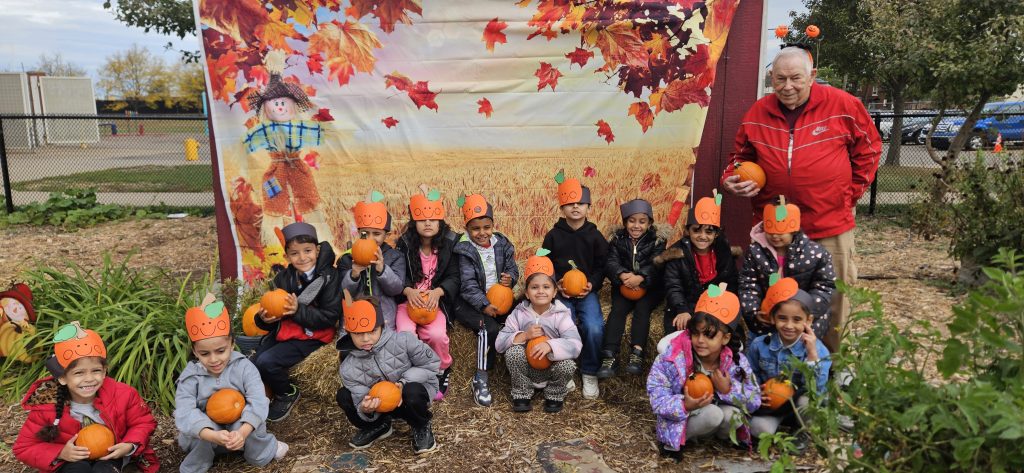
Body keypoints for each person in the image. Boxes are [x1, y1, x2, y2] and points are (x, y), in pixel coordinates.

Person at [720, 46, 881, 353]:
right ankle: (777, 367)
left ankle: (832, 366)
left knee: (833, 300)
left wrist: (850, 194)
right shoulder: (758, 112)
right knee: (777, 298)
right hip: (775, 230)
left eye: (796, 78)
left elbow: (869, 149)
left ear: (813, 77)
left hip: (828, 223)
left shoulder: (843, 105)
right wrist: (730, 179)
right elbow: (739, 158)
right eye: (780, 78)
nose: (788, 86)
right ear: (772, 78)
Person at [13, 321, 159, 473]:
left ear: (104, 372)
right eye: (79, 373)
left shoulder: (124, 394)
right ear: (62, 378)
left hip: (114, 455)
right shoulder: (47, 406)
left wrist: (129, 445)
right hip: (69, 460)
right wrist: (60, 452)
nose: (89, 378)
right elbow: (24, 447)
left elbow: (143, 423)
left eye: (96, 370)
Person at [647, 285, 760, 462]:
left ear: (726, 338)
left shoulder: (736, 361)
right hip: (685, 417)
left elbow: (754, 401)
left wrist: (728, 389)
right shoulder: (673, 358)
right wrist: (685, 404)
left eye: (709, 335)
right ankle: (674, 442)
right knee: (713, 414)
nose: (700, 341)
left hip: (715, 413)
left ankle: (717, 436)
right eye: (696, 333)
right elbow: (657, 397)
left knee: (733, 416)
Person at [175, 297, 288, 472]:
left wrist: (242, 432)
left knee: (253, 428)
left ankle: (262, 450)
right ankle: (198, 465)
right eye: (205, 353)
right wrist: (211, 434)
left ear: (232, 344)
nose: (213, 359)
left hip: (239, 426)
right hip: (207, 431)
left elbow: (258, 400)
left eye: (221, 351)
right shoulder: (190, 377)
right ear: (195, 351)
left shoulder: (244, 367)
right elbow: (185, 411)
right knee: (198, 437)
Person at [253, 222, 341, 421]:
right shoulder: (283, 278)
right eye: (295, 253)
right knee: (254, 360)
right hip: (287, 330)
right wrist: (264, 319)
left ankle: (287, 393)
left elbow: (329, 317)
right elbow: (274, 310)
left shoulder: (328, 277)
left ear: (317, 250)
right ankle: (261, 397)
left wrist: (297, 310)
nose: (302, 258)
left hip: (313, 335)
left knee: (267, 362)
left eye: (307, 251)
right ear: (286, 256)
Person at [336, 293, 440, 454]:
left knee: (411, 391)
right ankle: (379, 426)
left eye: (372, 331)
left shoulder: (404, 340)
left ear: (383, 325)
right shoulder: (348, 367)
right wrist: (365, 408)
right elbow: (360, 397)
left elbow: (432, 364)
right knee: (343, 395)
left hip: (409, 397)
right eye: (358, 333)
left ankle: (420, 424)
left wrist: (403, 382)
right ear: (348, 332)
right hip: (381, 405)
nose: (365, 338)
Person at [542, 170, 609, 399]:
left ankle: (589, 371)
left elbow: (603, 266)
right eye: (570, 203)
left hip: (586, 291)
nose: (575, 207)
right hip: (561, 292)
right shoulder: (552, 236)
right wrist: (554, 285)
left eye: (581, 203)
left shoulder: (595, 236)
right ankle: (566, 368)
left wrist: (592, 284)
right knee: (562, 324)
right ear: (562, 208)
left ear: (588, 207)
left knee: (593, 326)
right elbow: (544, 264)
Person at [451, 193, 519, 407]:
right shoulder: (464, 250)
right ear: (467, 228)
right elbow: (467, 284)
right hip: (469, 302)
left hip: (499, 298)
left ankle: (523, 369)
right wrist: (484, 305)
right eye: (475, 229)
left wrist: (511, 277)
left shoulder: (502, 243)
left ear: (492, 225)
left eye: (486, 227)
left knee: (519, 317)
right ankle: (481, 377)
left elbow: (512, 265)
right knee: (487, 329)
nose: (482, 233)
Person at [495, 250, 582, 413]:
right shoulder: (519, 313)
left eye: (546, 287)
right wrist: (524, 335)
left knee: (568, 364)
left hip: (551, 368)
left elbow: (575, 344)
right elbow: (500, 343)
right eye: (534, 287)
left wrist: (551, 345)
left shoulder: (561, 315)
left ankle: (554, 393)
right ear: (527, 293)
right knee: (513, 353)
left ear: (555, 291)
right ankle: (522, 392)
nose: (541, 291)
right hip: (527, 368)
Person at [738, 196, 835, 341]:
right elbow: (748, 284)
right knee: (764, 357)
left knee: (801, 359)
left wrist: (807, 312)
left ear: (793, 230)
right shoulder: (755, 252)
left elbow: (824, 286)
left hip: (801, 322)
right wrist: (754, 312)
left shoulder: (815, 253)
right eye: (771, 231)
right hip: (766, 320)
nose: (775, 236)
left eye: (781, 231)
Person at [747, 289, 831, 453]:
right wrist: (756, 393)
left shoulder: (817, 350)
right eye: (782, 318)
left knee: (807, 402)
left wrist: (812, 355)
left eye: (797, 319)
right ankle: (781, 427)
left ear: (809, 320)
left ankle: (804, 431)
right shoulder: (759, 345)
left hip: (800, 403)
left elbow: (818, 389)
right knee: (759, 428)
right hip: (774, 406)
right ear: (773, 318)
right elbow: (751, 374)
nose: (789, 325)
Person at [394, 189, 459, 400]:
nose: (428, 223)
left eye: (433, 219)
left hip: (433, 304)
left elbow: (454, 276)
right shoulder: (404, 246)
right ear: (414, 223)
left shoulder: (447, 247)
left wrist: (439, 292)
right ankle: (413, 371)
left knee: (436, 335)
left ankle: (441, 369)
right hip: (408, 302)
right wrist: (407, 289)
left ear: (440, 222)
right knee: (405, 333)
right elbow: (397, 273)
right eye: (422, 219)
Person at [598, 199, 667, 377]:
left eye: (642, 221)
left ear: (650, 223)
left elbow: (657, 264)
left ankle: (637, 353)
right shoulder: (617, 240)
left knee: (642, 310)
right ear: (625, 222)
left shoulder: (657, 241)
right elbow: (610, 262)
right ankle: (609, 355)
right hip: (624, 285)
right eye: (632, 221)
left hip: (651, 287)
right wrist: (621, 275)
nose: (636, 226)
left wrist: (641, 277)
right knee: (618, 310)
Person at [658, 189, 738, 337]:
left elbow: (731, 282)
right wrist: (682, 309)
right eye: (697, 231)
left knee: (729, 343)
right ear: (688, 231)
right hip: (686, 305)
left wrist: (722, 309)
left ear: (716, 234)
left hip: (715, 307)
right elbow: (673, 285)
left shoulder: (723, 253)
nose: (702, 236)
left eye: (709, 232)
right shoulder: (676, 253)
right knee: (674, 345)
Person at [337, 194, 406, 329]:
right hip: (355, 317)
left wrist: (382, 270)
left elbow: (397, 289)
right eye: (365, 233)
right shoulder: (347, 258)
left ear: (386, 235)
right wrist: (353, 275)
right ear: (358, 233)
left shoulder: (395, 256)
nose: (370, 238)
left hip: (384, 317)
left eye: (376, 234)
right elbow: (343, 292)